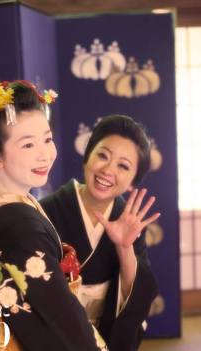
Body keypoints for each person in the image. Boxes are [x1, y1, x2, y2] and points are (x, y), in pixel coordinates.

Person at [0, 81, 107, 351]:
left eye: (47, 139)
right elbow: (60, 320)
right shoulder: (21, 230)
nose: (45, 154)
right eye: (27, 145)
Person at [40, 115, 160, 351]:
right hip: (56, 336)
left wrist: (124, 247)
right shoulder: (47, 210)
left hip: (105, 336)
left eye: (123, 166)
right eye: (102, 155)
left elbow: (135, 295)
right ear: (87, 157)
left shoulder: (128, 220)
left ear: (133, 181)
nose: (108, 170)